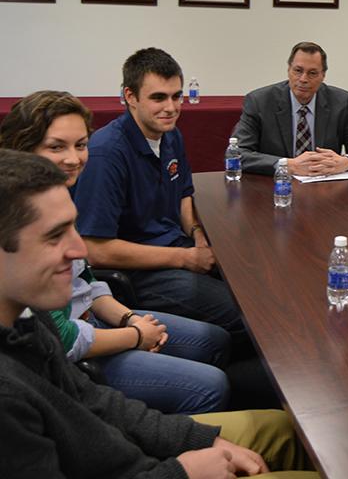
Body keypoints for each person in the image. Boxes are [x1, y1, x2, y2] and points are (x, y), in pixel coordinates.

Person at [0, 149, 318, 478]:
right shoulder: (7, 395)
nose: (80, 250)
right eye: (54, 236)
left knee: (288, 431)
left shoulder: (27, 313)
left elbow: (91, 399)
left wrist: (195, 441)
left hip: (129, 452)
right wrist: (182, 472)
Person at [0, 90, 231, 414]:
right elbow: (60, 337)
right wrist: (135, 335)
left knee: (216, 341)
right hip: (73, 352)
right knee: (211, 385)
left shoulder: (61, 195)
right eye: (56, 147)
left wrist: (127, 317)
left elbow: (88, 282)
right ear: (24, 149)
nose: (73, 158)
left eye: (81, 145)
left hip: (95, 318)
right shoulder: (18, 219)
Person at [70, 48, 249, 350]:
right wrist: (185, 258)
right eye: (158, 98)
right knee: (243, 313)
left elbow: (183, 195)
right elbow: (94, 249)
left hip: (177, 248)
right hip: (140, 273)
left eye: (176, 96)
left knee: (253, 285)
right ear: (130, 96)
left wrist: (196, 234)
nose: (171, 107)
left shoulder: (170, 135)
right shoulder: (106, 154)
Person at [232, 41, 348, 176]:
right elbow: (237, 153)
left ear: (323, 76)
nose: (303, 79)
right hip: (274, 187)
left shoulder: (339, 102)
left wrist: (345, 162)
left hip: (324, 189)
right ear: (288, 70)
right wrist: (288, 165)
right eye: (298, 70)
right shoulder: (260, 101)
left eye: (312, 73)